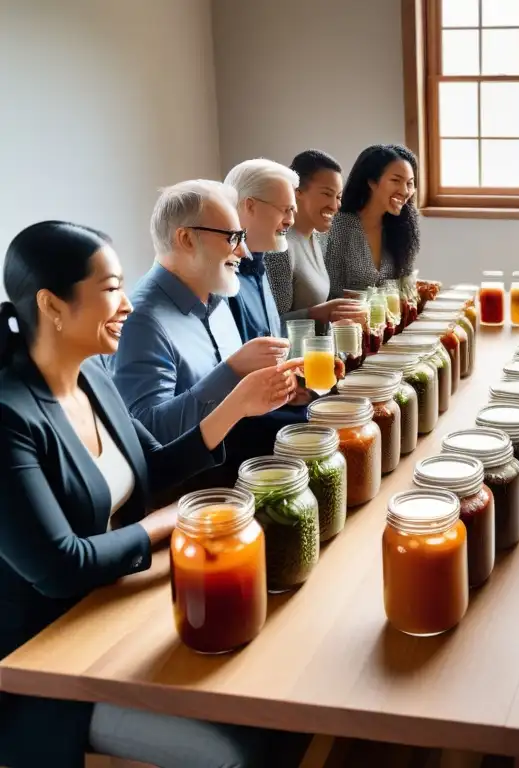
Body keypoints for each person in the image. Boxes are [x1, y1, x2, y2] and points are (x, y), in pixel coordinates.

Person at [0, 221, 298, 767]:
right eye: (111, 288)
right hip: (44, 661)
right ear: (52, 304)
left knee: (283, 684)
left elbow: (154, 466)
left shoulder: (94, 379)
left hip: (117, 605)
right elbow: (60, 565)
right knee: (240, 748)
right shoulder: (9, 416)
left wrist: (238, 405)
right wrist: (168, 523)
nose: (128, 305)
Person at [111, 180, 292, 463]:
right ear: (186, 239)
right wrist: (232, 369)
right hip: (200, 486)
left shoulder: (216, 296)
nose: (243, 251)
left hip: (245, 450)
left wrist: (277, 389)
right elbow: (148, 433)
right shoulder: (142, 322)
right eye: (231, 238)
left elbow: (234, 403)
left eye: (242, 237)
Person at [265, 149, 347, 325]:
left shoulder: (317, 239)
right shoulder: (280, 247)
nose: (334, 205)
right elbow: (271, 325)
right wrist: (317, 314)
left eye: (338, 196)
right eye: (326, 194)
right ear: (297, 192)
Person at [324, 144, 419, 293]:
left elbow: (404, 290)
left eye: (409, 183)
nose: (405, 191)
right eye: (395, 180)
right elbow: (330, 293)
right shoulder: (340, 226)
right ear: (372, 182)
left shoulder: (401, 228)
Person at [224, 158, 299, 341]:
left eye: (292, 211)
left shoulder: (259, 264)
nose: (291, 221)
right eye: (285, 210)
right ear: (250, 206)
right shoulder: (221, 275)